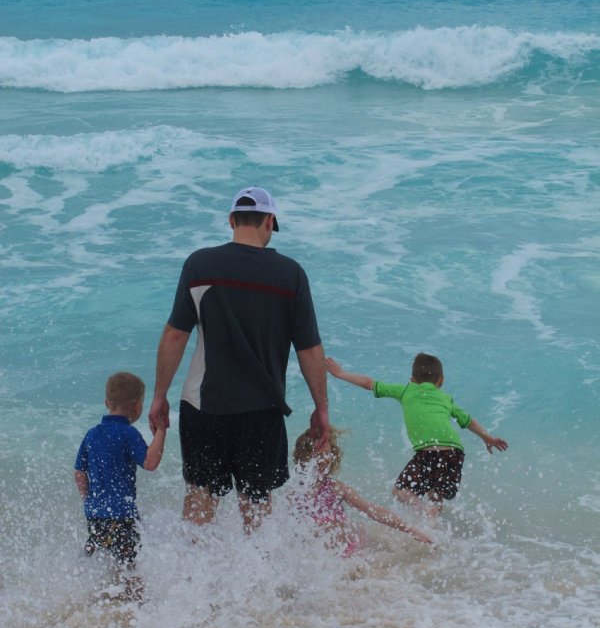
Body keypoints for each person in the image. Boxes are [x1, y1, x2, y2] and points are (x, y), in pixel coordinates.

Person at [149, 186, 329, 533]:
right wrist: (321, 407)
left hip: (203, 407)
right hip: (262, 411)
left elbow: (175, 335)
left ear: (231, 220)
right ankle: (254, 584)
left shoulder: (200, 264)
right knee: (257, 509)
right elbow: (309, 349)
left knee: (200, 501)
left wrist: (159, 396)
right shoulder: (290, 274)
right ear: (269, 222)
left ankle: (191, 578)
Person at [326, 353, 508, 517]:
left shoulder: (406, 390)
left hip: (430, 451)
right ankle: (434, 529)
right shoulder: (446, 398)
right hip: (455, 452)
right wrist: (487, 438)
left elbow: (369, 383)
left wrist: (340, 373)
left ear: (412, 379)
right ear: (441, 381)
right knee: (436, 494)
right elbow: (468, 421)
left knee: (400, 491)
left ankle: (425, 510)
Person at [74, 372, 166, 599]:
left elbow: (79, 472)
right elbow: (150, 462)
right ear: (136, 407)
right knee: (131, 568)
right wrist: (161, 432)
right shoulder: (128, 433)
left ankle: (101, 602)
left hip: (95, 515)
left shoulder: (92, 434)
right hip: (122, 517)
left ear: (107, 403)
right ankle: (137, 609)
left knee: (106, 563)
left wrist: (88, 500)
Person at [292, 428, 433, 553]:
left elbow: (373, 510)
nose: (326, 459)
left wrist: (410, 530)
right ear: (305, 458)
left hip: (347, 550)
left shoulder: (336, 488)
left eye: (328, 453)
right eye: (319, 455)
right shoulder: (294, 494)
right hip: (319, 555)